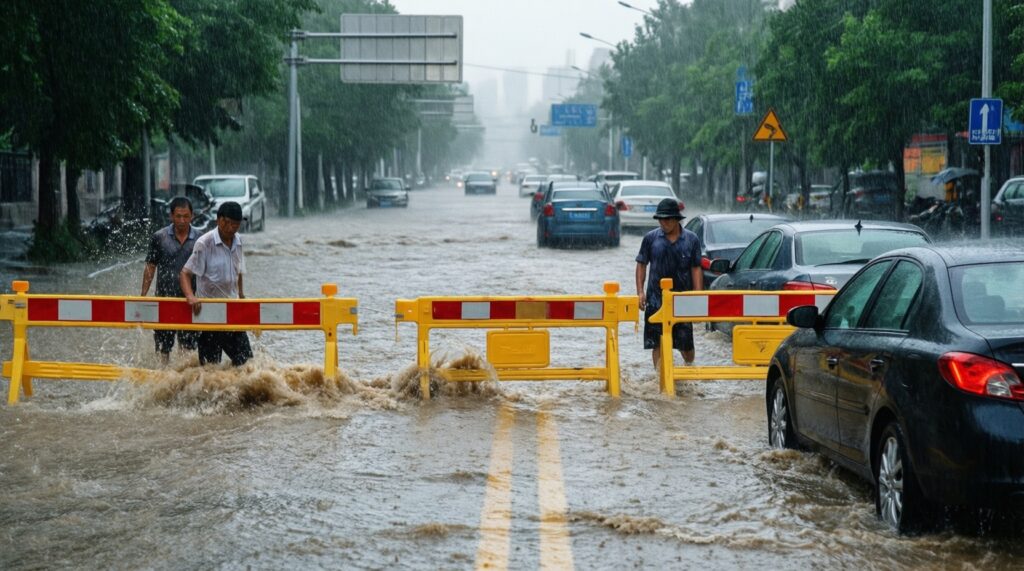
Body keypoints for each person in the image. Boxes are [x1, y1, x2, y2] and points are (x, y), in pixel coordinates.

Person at [180, 201, 252, 367]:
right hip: (209, 315)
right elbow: (185, 273)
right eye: (229, 223)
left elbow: (239, 271)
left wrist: (241, 296)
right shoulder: (204, 243)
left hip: (233, 314)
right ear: (219, 220)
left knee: (247, 365)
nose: (232, 228)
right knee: (210, 371)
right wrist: (190, 297)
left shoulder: (238, 241)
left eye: (236, 225)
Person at [635, 197, 704, 370]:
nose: (663, 223)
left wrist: (697, 295)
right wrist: (640, 292)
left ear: (676, 219)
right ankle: (659, 377)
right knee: (657, 343)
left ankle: (689, 370)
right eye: (660, 219)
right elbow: (641, 264)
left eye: (666, 219)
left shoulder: (691, 240)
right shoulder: (650, 239)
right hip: (656, 300)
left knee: (686, 345)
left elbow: (696, 268)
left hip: (682, 300)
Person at [141, 196, 199, 362]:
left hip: (190, 302)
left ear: (192, 216)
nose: (182, 220)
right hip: (164, 302)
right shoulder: (159, 237)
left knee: (187, 351)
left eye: (186, 216)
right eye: (178, 216)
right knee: (162, 349)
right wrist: (143, 296)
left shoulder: (201, 239)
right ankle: (163, 382)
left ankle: (183, 384)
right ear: (171, 216)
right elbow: (150, 267)